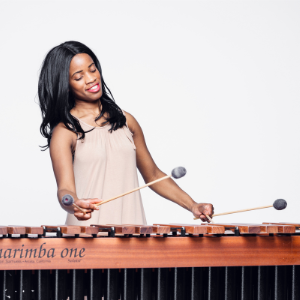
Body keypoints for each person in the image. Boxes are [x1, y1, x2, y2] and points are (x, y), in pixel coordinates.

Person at [38, 41, 214, 225]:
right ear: (65, 84)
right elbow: (65, 190)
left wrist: (193, 205)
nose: (91, 79)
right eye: (78, 76)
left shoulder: (126, 121)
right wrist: (73, 205)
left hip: (133, 231)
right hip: (87, 233)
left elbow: (153, 176)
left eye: (92, 69)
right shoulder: (65, 131)